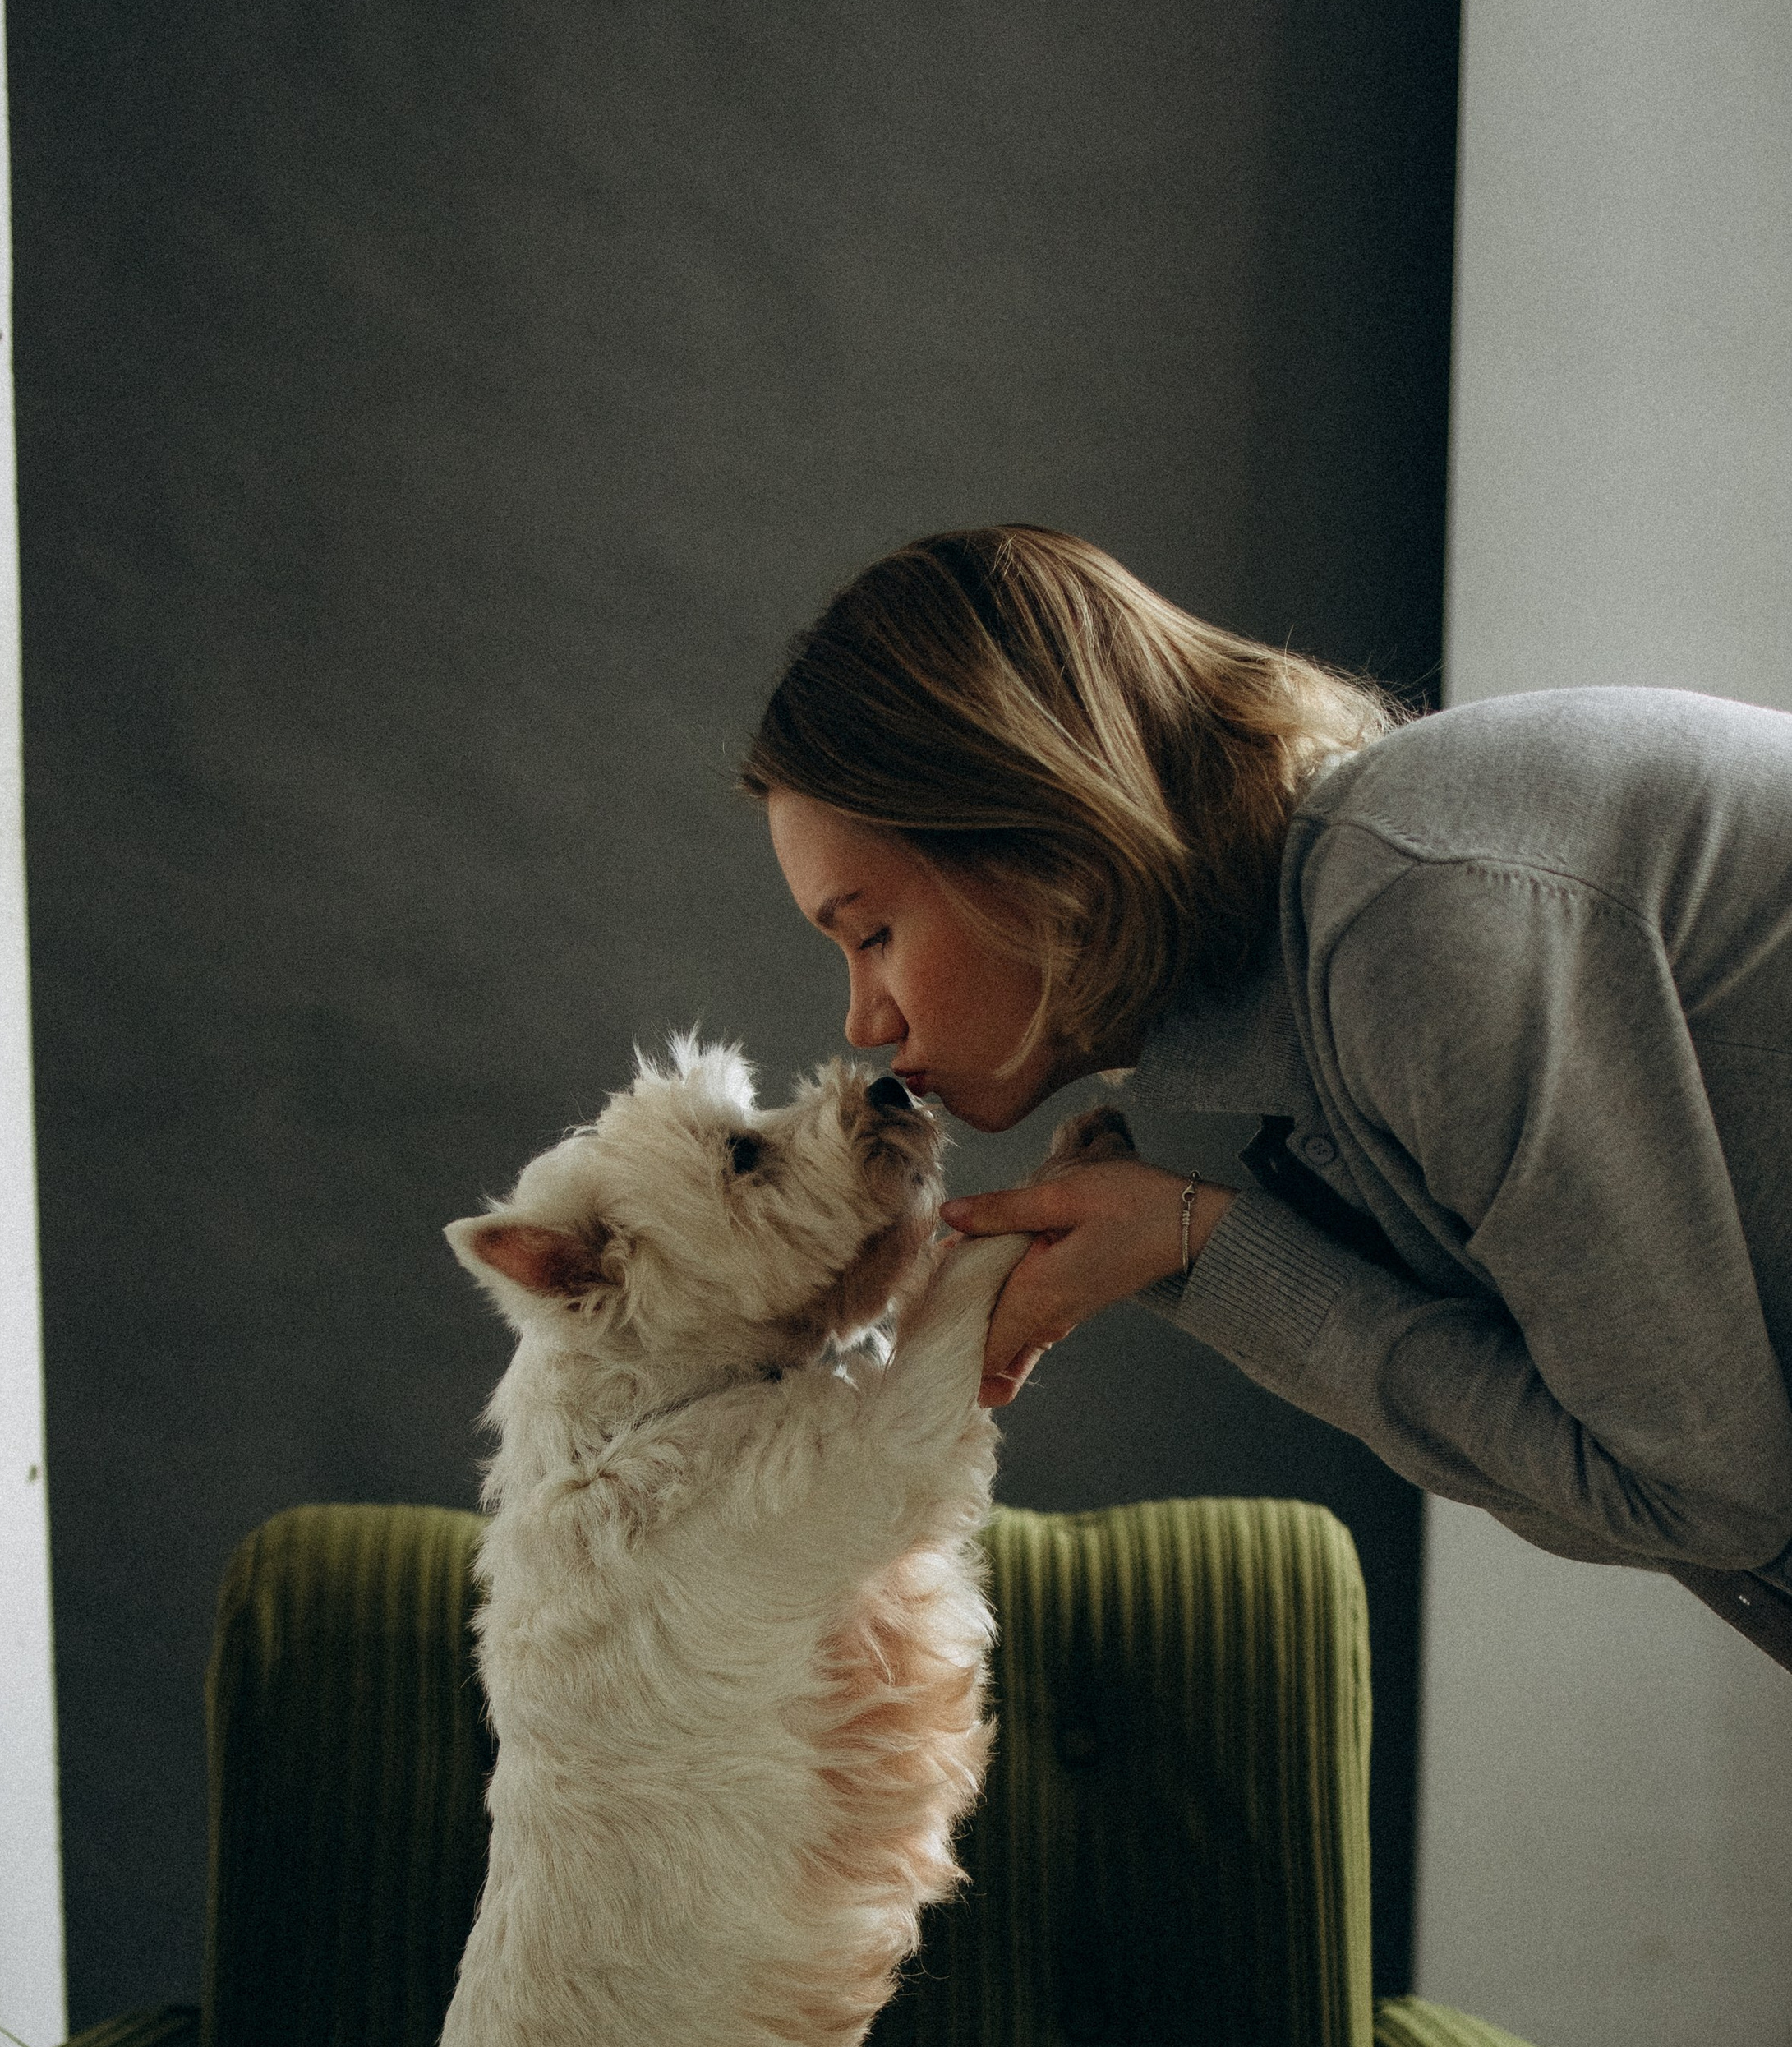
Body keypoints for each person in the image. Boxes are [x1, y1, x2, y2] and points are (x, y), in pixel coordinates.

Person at [748, 523, 1792, 1667]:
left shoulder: (1411, 926)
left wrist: (1209, 1250)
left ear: (1035, 838)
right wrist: (1190, 1244)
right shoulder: (1321, 993)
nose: (865, 1024)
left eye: (874, 933)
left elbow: (1702, 1496)